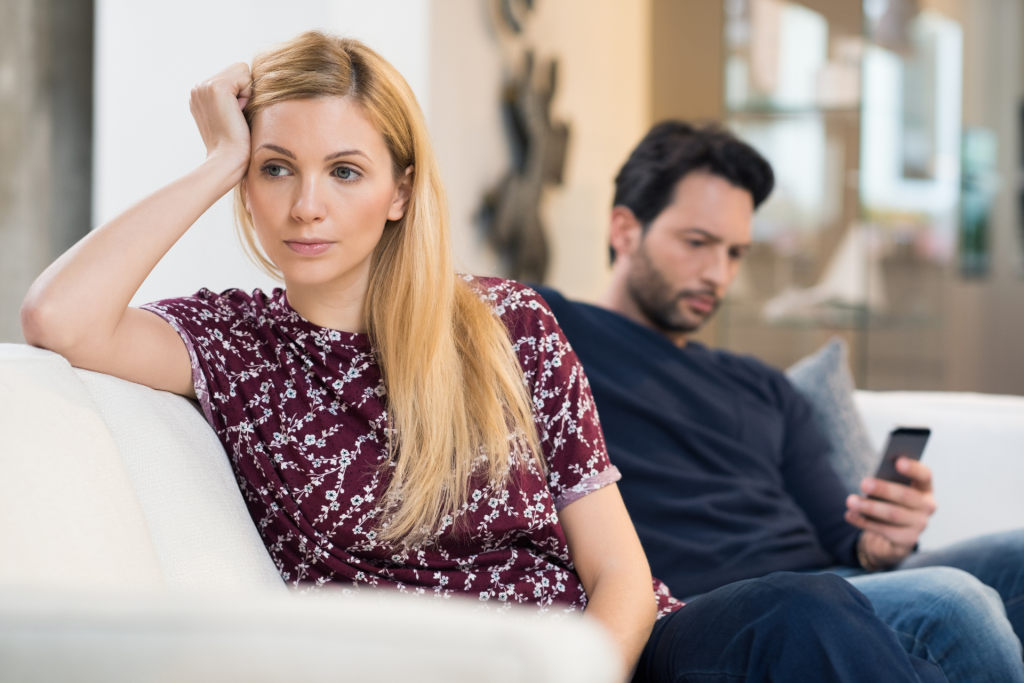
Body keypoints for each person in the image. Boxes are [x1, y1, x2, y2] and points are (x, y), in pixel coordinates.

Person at [21, 33, 943, 683]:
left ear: (397, 190)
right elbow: (59, 316)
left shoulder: (502, 321)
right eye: (275, 168)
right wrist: (216, 160)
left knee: (804, 611)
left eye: (345, 170)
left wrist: (579, 672)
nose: (306, 205)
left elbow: (617, 572)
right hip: (445, 666)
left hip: (604, 655)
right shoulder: (234, 344)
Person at [533, 121, 1024, 683]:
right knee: (953, 602)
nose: (718, 274)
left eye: (736, 252)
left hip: (840, 589)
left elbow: (845, 538)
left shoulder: (764, 385)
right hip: (715, 608)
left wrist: (883, 538)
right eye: (697, 243)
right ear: (624, 229)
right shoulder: (549, 334)